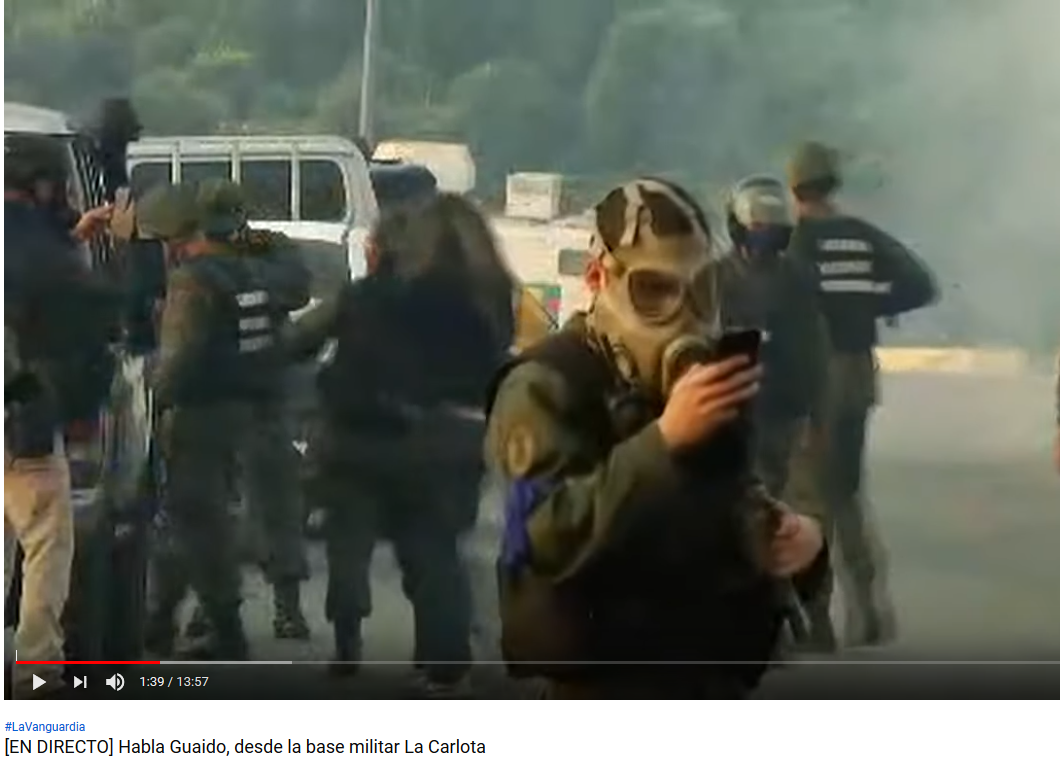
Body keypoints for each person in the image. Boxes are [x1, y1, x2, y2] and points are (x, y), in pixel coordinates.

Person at [485, 178, 827, 698]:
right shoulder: (547, 384)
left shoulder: (693, 385)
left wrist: (792, 542)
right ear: (599, 277)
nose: (682, 313)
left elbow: (729, 498)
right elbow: (546, 536)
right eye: (652, 290)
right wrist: (662, 442)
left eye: (700, 291)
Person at [291, 193, 513, 694]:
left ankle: (350, 641)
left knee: (353, 544)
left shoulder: (386, 295)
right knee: (436, 553)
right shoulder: (490, 296)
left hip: (370, 440)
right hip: (453, 441)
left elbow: (322, 350)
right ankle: (443, 665)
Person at [135, 181, 311, 659]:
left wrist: (152, 398)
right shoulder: (248, 266)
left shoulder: (209, 272)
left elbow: (183, 355)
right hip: (250, 397)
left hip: (216, 407)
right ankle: (197, 615)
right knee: (214, 515)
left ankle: (197, 619)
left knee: (200, 515)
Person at [785, 140, 939, 648]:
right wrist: (872, 304)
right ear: (832, 183)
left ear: (794, 186)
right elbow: (921, 284)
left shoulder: (796, 243)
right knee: (848, 490)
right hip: (858, 373)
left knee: (809, 493)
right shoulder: (862, 236)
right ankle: (869, 609)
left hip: (816, 375)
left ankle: (816, 620)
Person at [4, 136, 119, 697]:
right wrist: (77, 413)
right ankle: (36, 672)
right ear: (46, 186)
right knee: (47, 542)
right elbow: (88, 334)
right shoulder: (53, 258)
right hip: (23, 422)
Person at [716, 174, 837, 652]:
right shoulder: (714, 279)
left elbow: (816, 353)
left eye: (773, 217)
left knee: (800, 517)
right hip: (733, 414)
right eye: (758, 217)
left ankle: (812, 615)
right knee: (742, 520)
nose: (766, 227)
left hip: (786, 416)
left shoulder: (798, 281)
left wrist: (819, 419)